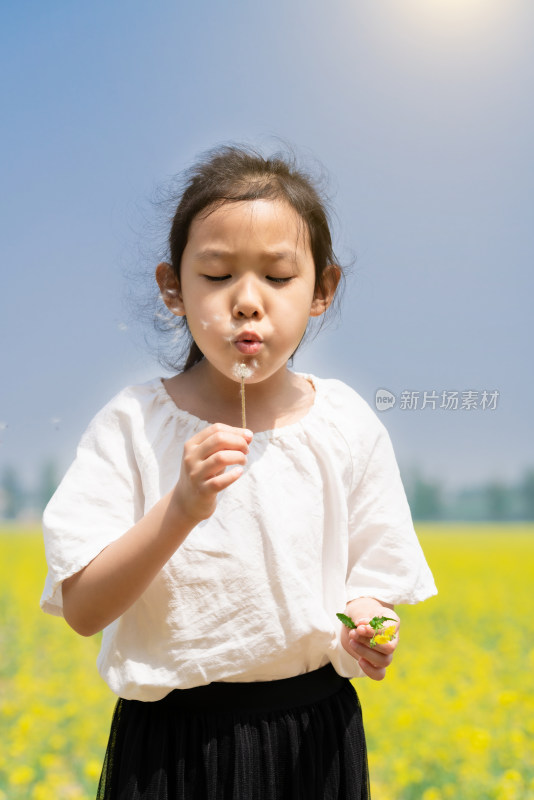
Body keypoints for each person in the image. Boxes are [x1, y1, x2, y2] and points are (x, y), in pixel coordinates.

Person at [41, 144, 437, 800]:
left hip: (314, 739)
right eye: (218, 275)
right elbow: (84, 609)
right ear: (173, 288)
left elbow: (369, 579)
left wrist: (369, 624)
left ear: (323, 291)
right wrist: (181, 509)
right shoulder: (134, 425)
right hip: (172, 748)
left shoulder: (345, 423)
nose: (247, 302)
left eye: (278, 278)